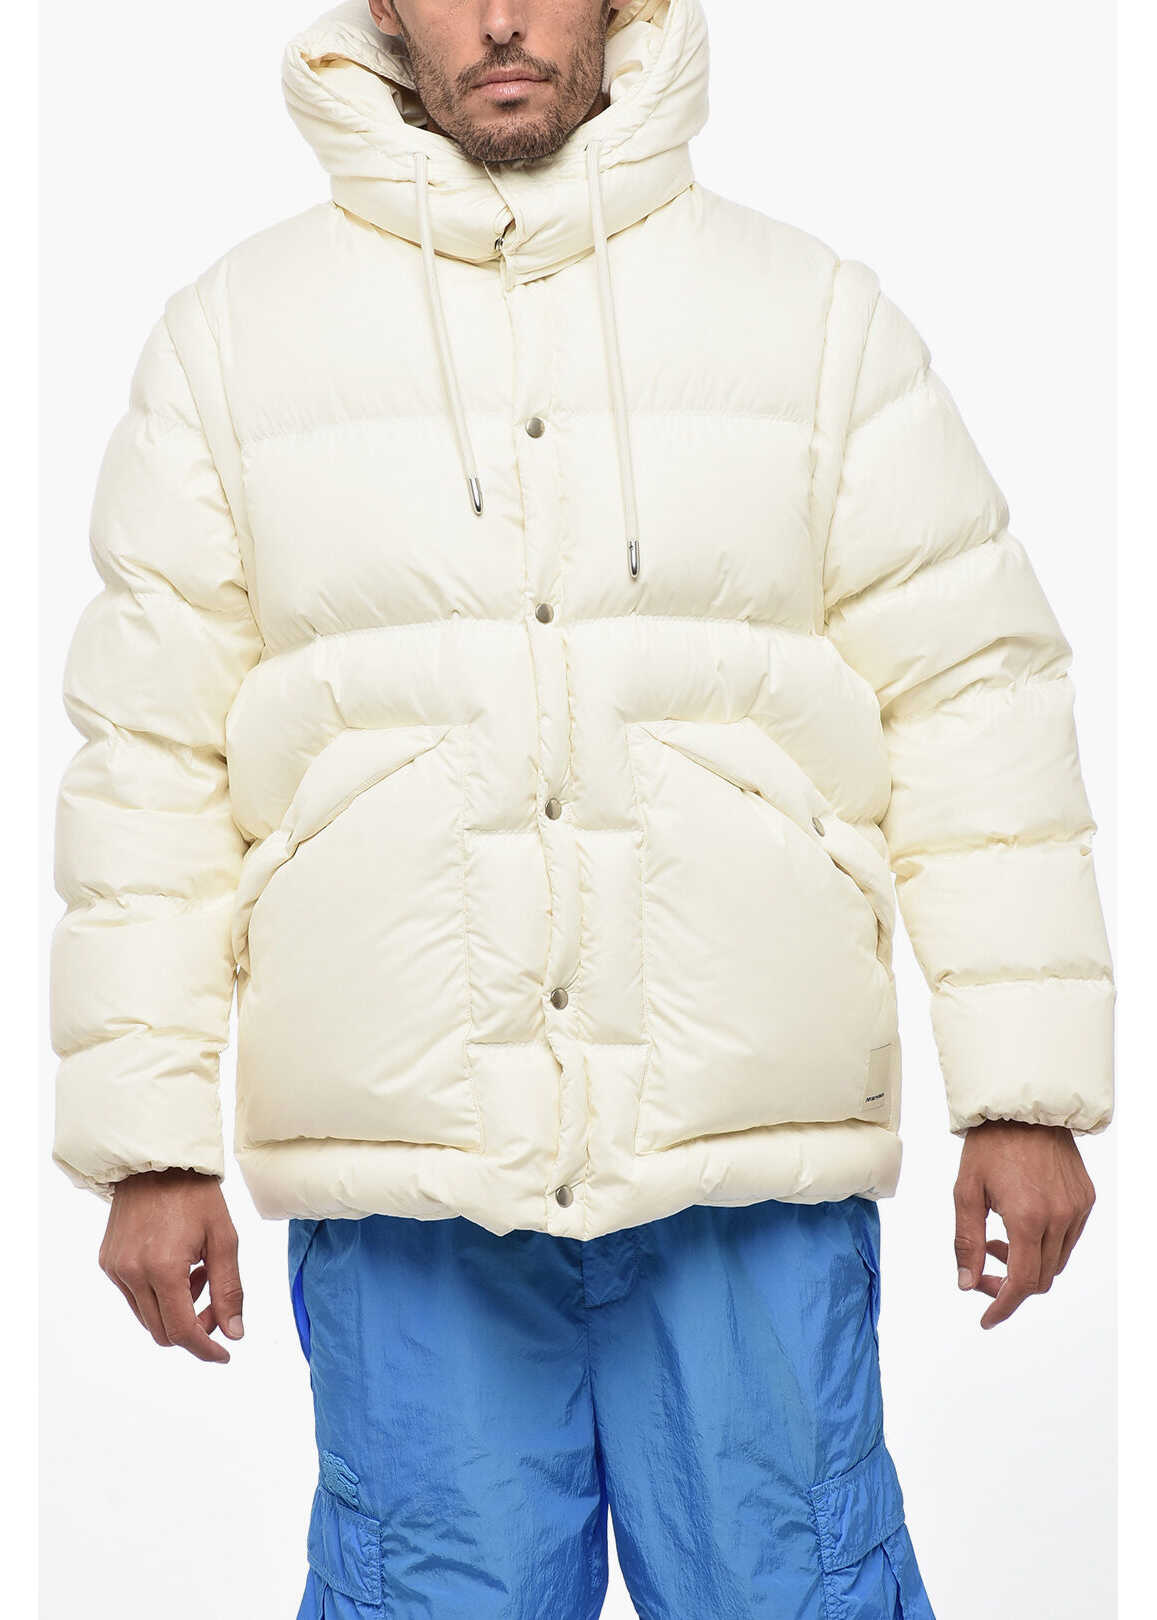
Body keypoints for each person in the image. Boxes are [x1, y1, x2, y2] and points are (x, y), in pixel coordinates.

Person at [48, 1, 1115, 1615]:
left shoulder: (807, 319)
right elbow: (150, 757)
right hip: (413, 1177)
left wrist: (1022, 1096)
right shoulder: (233, 341)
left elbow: (973, 700)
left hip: (739, 1163)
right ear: (383, 8)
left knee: (794, 1592)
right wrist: (148, 1146)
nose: (498, 21)